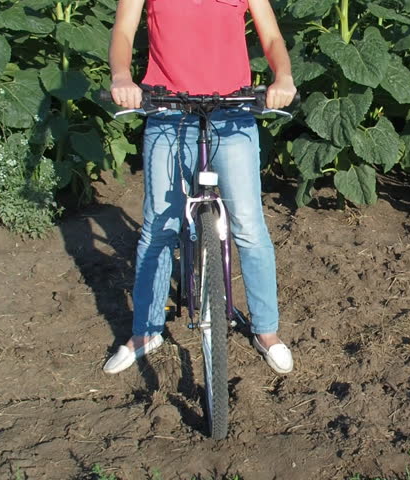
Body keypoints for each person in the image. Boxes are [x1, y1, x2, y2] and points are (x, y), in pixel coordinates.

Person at [102, 0, 295, 374]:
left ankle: (266, 330)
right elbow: (124, 30)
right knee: (159, 228)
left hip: (231, 113)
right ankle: (146, 331)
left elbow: (271, 37)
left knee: (249, 227)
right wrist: (122, 76)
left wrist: (282, 76)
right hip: (167, 110)